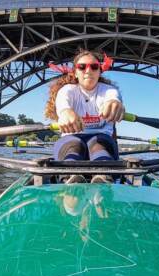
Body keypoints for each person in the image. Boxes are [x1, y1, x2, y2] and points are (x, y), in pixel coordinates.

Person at [45, 50, 125, 183]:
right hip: (72, 138)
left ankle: (103, 176)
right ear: (75, 72)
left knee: (99, 145)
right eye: (82, 67)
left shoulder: (109, 90)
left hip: (101, 139)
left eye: (94, 67)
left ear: (100, 71)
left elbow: (113, 97)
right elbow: (63, 105)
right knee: (74, 145)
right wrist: (65, 112)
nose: (88, 71)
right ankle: (70, 177)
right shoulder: (67, 90)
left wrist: (115, 103)